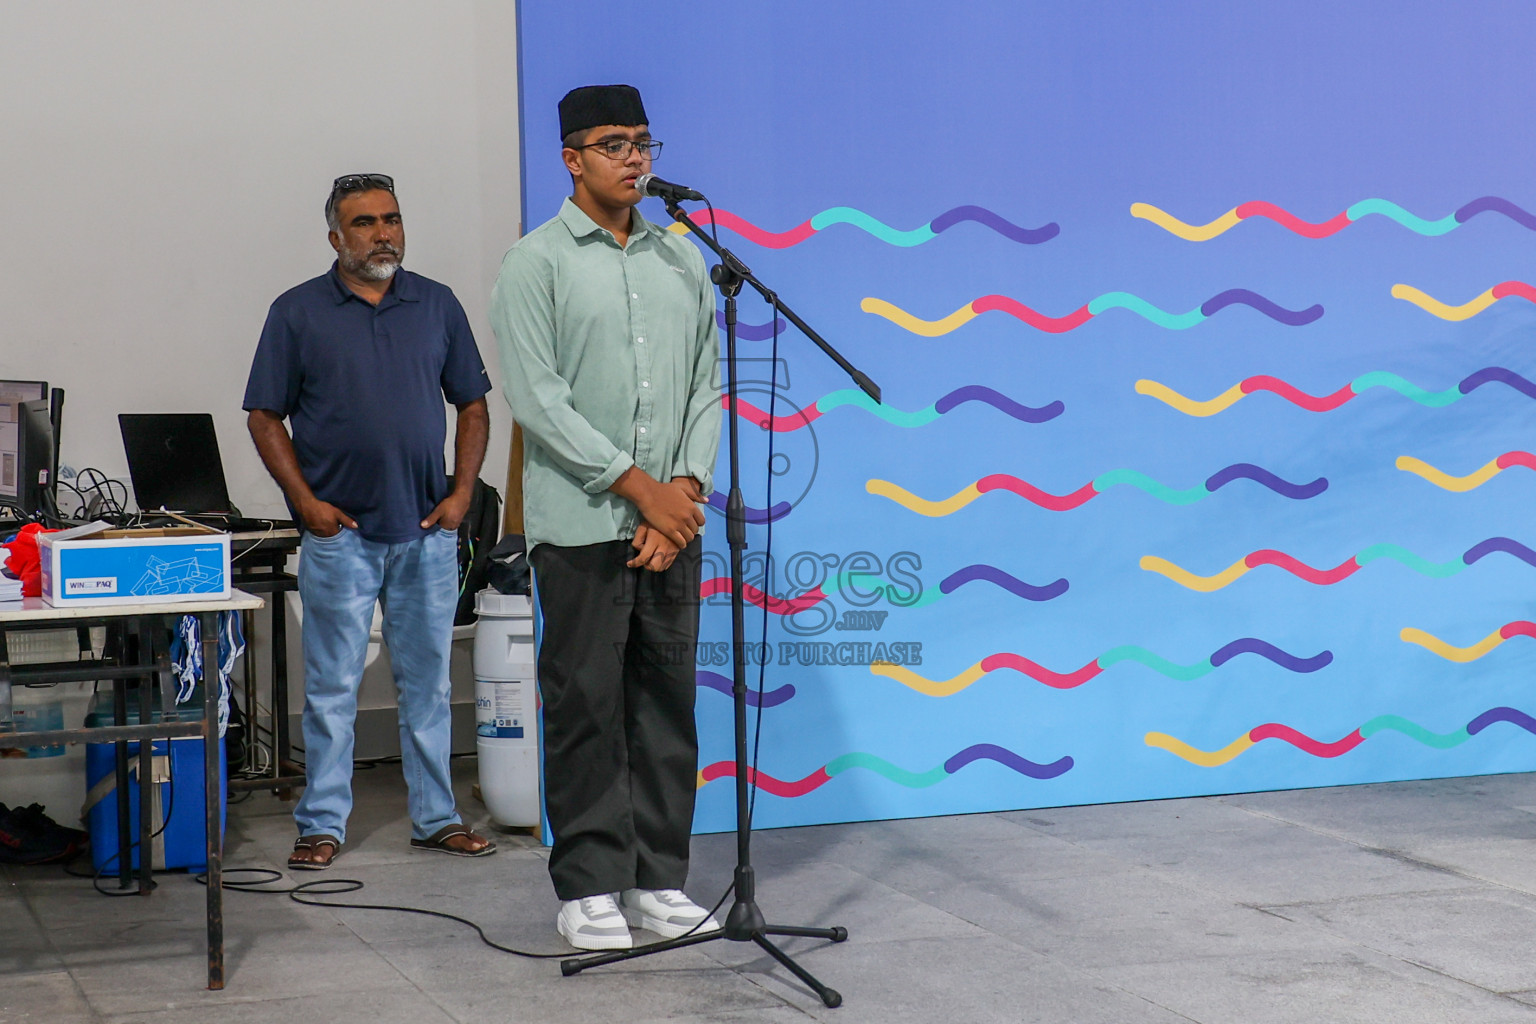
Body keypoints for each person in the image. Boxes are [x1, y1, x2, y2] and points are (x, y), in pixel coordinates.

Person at [489, 85, 722, 950]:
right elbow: (538, 401)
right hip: (583, 527)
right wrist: (640, 488)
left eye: (644, 141)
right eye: (615, 143)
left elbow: (708, 382)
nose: (636, 157)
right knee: (586, 702)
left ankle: (660, 878)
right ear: (571, 158)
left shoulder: (681, 259)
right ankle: (589, 884)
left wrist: (683, 494)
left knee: (665, 707)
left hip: (673, 528)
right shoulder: (537, 262)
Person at [244, 173, 497, 869]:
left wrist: (461, 496)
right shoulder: (297, 312)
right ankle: (321, 824)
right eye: (364, 223)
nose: (383, 233)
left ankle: (436, 818)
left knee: (430, 686)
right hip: (342, 537)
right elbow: (264, 415)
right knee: (330, 690)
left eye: (391, 219)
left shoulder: (437, 305)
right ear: (335, 237)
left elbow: (472, 405)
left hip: (426, 533)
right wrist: (307, 507)